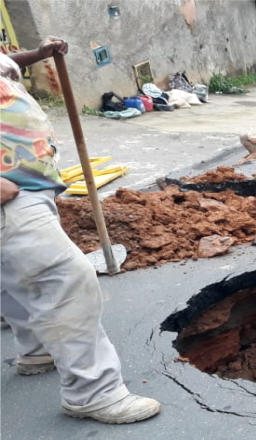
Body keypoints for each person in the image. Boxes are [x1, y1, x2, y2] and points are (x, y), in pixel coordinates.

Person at [0, 38, 162, 424]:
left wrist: (36, 57)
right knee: (64, 281)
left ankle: (37, 349)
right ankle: (93, 392)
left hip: (26, 184)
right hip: (8, 195)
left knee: (13, 279)